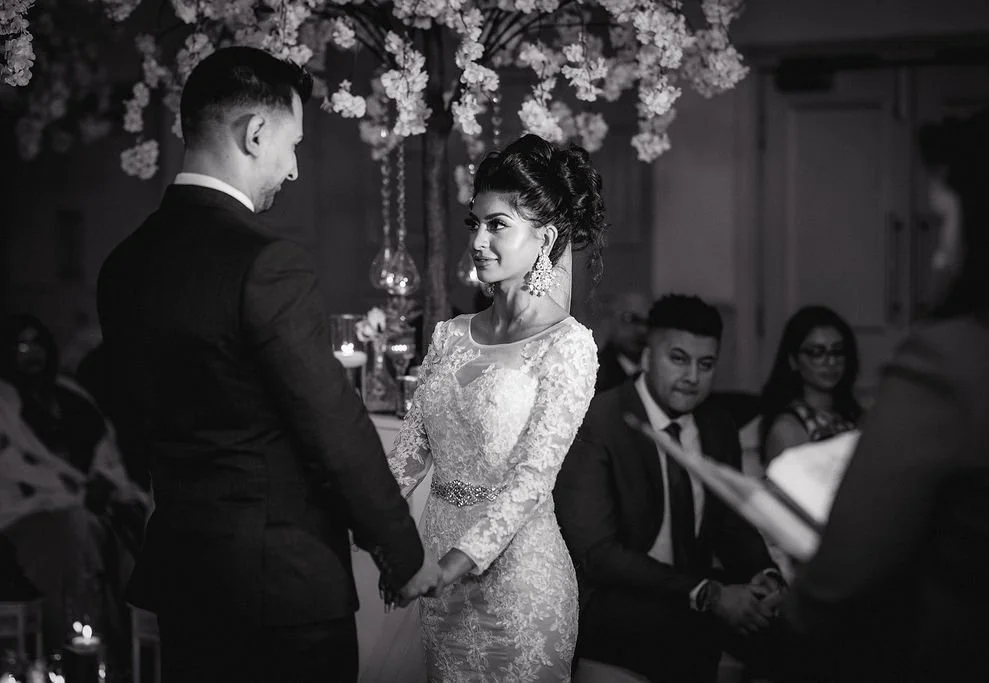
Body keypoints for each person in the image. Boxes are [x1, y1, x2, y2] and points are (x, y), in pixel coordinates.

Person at [96, 47, 435, 683]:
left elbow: (134, 423)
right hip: (282, 590)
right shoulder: (266, 262)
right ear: (255, 134)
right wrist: (402, 550)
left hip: (186, 580)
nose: (296, 169)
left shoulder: (123, 266)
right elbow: (331, 427)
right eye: (293, 144)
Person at [783, 95, 989, 682]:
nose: (940, 255)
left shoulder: (954, 360)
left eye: (944, 223)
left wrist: (796, 618)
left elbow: (841, 579)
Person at [385, 133, 605, 681]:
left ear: (545, 237)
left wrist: (453, 565)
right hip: (439, 590)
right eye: (474, 223)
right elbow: (409, 454)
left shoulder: (568, 346)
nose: (478, 241)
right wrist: (368, 524)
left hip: (520, 591)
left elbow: (532, 480)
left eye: (497, 225)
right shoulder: (451, 335)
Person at [554, 294, 783, 683]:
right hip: (615, 614)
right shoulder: (599, 422)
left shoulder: (717, 425)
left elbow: (730, 522)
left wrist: (765, 574)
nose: (693, 376)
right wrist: (707, 593)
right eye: (678, 359)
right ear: (646, 356)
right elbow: (598, 554)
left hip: (691, 613)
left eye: (705, 364)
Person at [0, 315, 149, 677]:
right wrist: (77, 492)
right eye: (20, 345)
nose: (31, 353)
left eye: (37, 343)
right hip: (33, 513)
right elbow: (16, 466)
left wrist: (106, 485)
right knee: (73, 537)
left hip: (94, 510)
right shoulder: (3, 404)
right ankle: (86, 659)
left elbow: (105, 454)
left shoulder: (72, 397)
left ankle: (136, 657)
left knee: (140, 541)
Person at [759, 306, 862, 465]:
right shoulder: (788, 428)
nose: (831, 362)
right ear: (793, 360)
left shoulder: (853, 415)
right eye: (816, 352)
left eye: (838, 351)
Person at [594, 292, 649, 394]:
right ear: (610, 320)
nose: (642, 330)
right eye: (630, 319)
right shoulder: (596, 374)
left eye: (647, 322)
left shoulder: (654, 373)